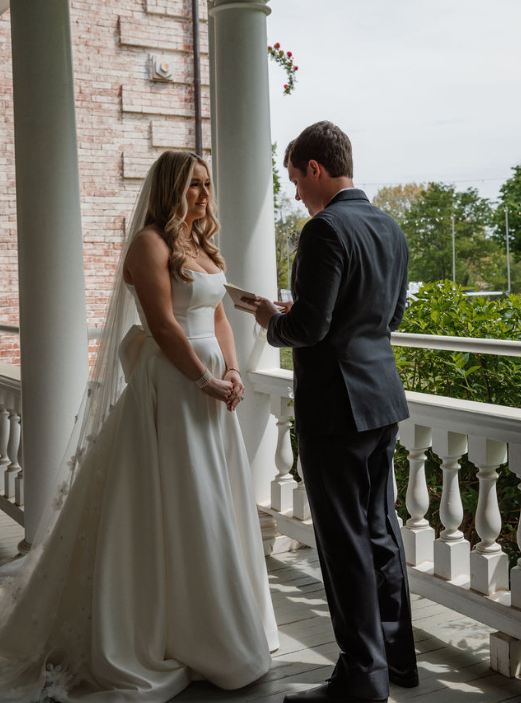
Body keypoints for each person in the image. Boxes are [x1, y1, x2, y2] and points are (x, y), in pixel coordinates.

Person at [0, 150, 278, 702]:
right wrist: (205, 380)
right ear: (171, 189)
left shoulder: (201, 244)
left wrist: (234, 369)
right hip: (173, 390)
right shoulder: (148, 245)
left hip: (211, 388)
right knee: (184, 501)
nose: (204, 196)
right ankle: (177, 634)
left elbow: (219, 314)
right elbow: (162, 326)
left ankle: (218, 624)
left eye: (207, 185)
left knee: (215, 502)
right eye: (194, 186)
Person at [249, 122, 417, 703]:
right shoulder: (388, 227)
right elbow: (389, 316)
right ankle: (395, 661)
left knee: (343, 541)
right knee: (380, 533)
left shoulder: (322, 231)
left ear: (316, 169)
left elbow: (310, 328)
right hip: (382, 403)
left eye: (296, 178)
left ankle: (360, 679)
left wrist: (271, 319)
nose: (296, 192)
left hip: (336, 410)